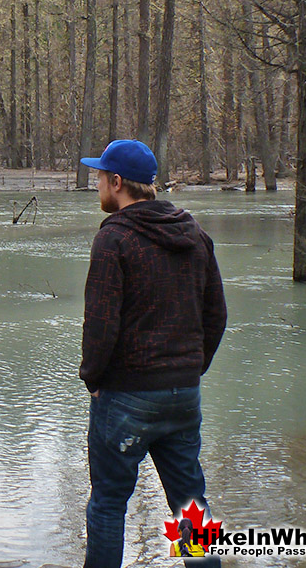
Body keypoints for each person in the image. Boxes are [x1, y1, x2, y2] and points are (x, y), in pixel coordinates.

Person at [78, 140, 226, 568]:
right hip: (182, 394)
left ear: (118, 183)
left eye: (101, 178)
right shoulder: (195, 235)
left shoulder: (114, 239)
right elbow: (216, 315)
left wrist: (93, 380)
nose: (98, 185)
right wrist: (190, 370)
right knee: (190, 506)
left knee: (108, 502)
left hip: (126, 396)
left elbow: (101, 326)